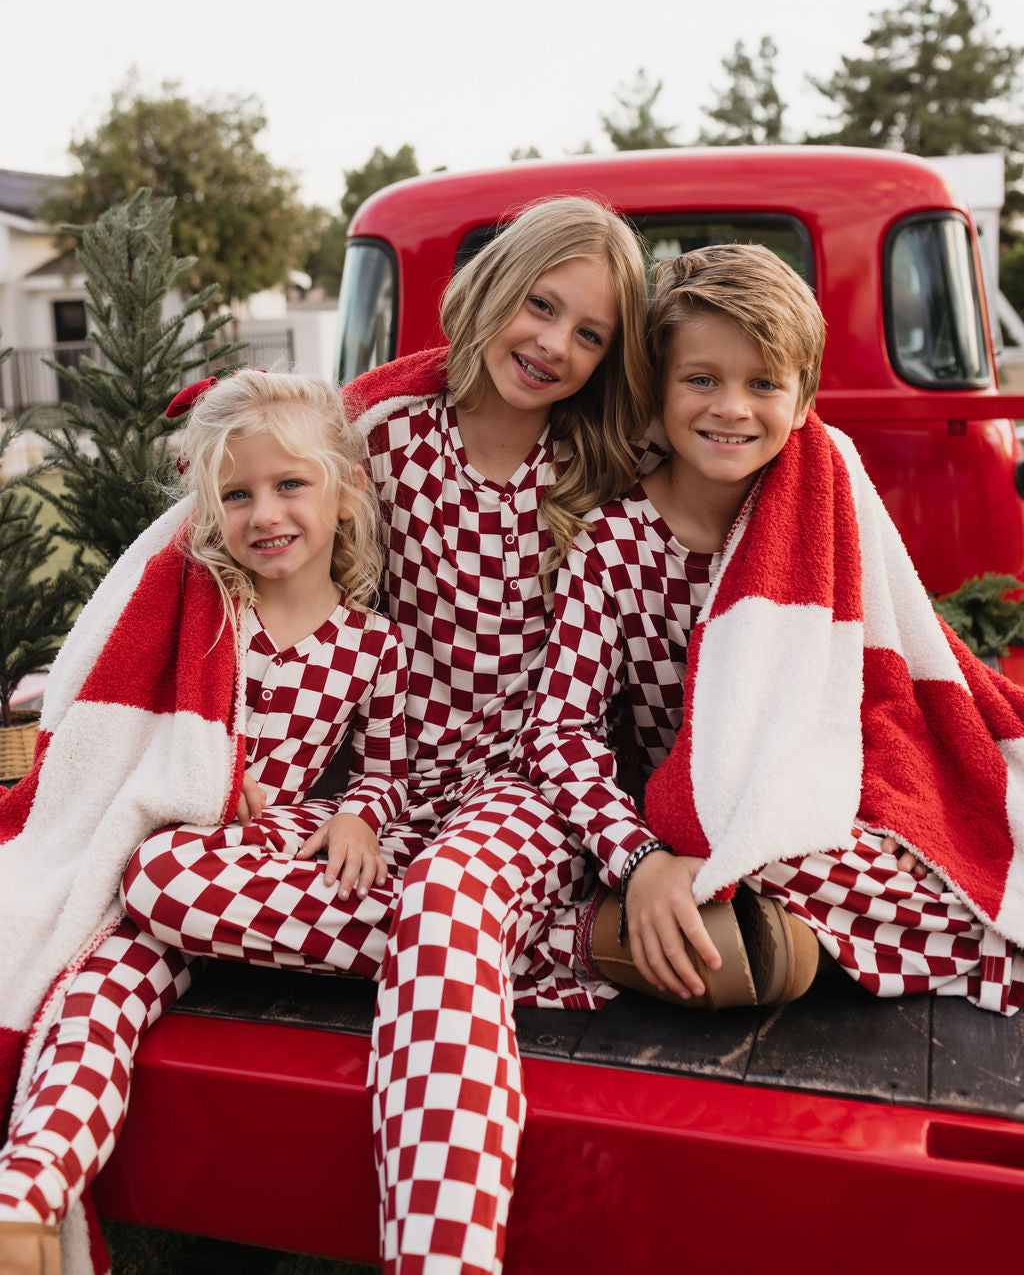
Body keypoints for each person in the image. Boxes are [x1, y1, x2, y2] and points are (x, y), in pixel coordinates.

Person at [2, 196, 654, 1275]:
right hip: (375, 802)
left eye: (590, 333)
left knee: (447, 906)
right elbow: (260, 493)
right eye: (541, 306)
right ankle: (30, 1187)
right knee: (150, 893)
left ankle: (439, 1254)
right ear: (494, 292)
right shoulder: (386, 440)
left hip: (516, 792)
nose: (553, 343)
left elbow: (737, 473)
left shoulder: (599, 471)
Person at [517, 242, 1024, 1018]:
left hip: (807, 793)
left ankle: (798, 942)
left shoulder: (823, 495)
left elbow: (890, 666)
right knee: (769, 872)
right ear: (658, 387)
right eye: (702, 379)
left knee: (933, 858)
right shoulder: (616, 541)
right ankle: (628, 931)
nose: (732, 408)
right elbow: (560, 730)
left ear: (802, 395)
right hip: (680, 815)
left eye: (763, 384)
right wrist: (639, 858)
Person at [0, 369, 410, 1275]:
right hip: (180, 856)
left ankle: (424, 939)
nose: (265, 512)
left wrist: (359, 817)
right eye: (237, 494)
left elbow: (384, 767)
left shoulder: (373, 644)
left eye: (290, 484)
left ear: (344, 495)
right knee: (92, 994)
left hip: (255, 867)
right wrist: (209, 775)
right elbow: (146, 717)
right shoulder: (209, 610)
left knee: (166, 882)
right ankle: (26, 1197)